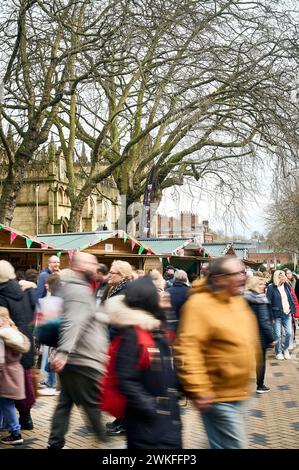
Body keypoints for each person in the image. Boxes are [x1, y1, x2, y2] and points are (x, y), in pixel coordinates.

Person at [174, 256, 260, 449]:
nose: (243, 277)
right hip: (216, 396)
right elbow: (188, 349)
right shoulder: (198, 305)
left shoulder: (237, 300)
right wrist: (199, 389)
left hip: (240, 392)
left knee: (219, 443)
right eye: (236, 273)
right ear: (220, 278)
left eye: (243, 272)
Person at [103, 276, 182, 448]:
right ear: (148, 299)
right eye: (157, 292)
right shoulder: (134, 334)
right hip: (148, 427)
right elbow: (126, 379)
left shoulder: (154, 327)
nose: (163, 294)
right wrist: (152, 408)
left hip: (165, 420)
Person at [47, 252, 109, 449]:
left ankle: (55, 443)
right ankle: (106, 444)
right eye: (92, 263)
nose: (96, 266)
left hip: (73, 359)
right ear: (80, 267)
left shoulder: (70, 288)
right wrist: (63, 352)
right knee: (93, 405)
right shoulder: (79, 291)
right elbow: (71, 323)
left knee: (65, 403)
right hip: (82, 360)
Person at [0, 261, 36, 431]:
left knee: (6, 382)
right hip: (24, 337)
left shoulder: (1, 295)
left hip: (8, 340)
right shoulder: (22, 291)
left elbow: (2, 321)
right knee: (23, 379)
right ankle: (26, 418)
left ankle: (9, 422)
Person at [0, 307, 30, 445]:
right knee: (5, 402)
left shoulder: (2, 336)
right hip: (15, 370)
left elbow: (0, 359)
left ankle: (16, 433)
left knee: (6, 403)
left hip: (5, 374)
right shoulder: (14, 332)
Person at [245, 277, 275, 393]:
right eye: (261, 284)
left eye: (264, 284)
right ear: (254, 285)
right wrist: (272, 338)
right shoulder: (260, 299)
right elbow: (264, 322)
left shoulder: (245, 297)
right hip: (259, 336)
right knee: (260, 362)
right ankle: (260, 385)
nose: (264, 286)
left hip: (247, 335)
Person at [266, 270, 295, 360]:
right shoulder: (271, 288)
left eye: (284, 275)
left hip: (287, 313)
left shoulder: (286, 285)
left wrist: (292, 309)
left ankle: (285, 349)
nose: (284, 277)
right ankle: (278, 351)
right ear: (277, 277)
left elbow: (290, 298)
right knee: (277, 335)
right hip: (276, 314)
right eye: (281, 276)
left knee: (289, 333)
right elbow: (268, 303)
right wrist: (271, 317)